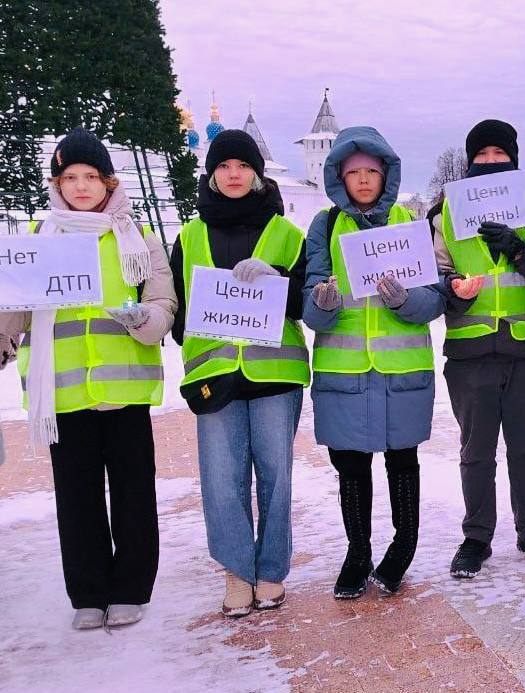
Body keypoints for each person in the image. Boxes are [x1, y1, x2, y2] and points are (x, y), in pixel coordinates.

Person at [0, 128, 174, 629]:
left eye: (90, 176)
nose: (80, 186)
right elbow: (15, 308)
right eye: (70, 177)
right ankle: (88, 595)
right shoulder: (39, 239)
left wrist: (145, 320)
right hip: (64, 389)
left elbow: (163, 304)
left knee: (133, 494)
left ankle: (131, 588)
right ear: (57, 183)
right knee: (76, 499)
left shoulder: (138, 238)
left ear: (108, 182)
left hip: (124, 386)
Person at [171, 129, 309, 617]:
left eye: (243, 166)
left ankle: (270, 570)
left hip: (274, 374)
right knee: (222, 479)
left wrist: (278, 282)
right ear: (211, 174)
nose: (234, 174)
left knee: (276, 476)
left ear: (257, 174)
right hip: (214, 375)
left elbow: (304, 303)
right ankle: (236, 571)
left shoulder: (287, 234)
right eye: (224, 166)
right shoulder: (189, 236)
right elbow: (178, 312)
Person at [304, 126, 445, 598]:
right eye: (353, 173)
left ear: (386, 174)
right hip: (344, 374)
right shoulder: (325, 226)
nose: (363, 180)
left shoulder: (408, 222)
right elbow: (310, 307)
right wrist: (322, 302)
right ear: (338, 178)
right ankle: (358, 552)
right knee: (350, 466)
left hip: (401, 372)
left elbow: (433, 301)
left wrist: (405, 299)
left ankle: (403, 547)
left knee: (403, 461)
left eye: (371, 171)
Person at [432, 119, 525, 579]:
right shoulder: (445, 214)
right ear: (469, 162)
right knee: (476, 451)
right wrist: (455, 290)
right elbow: (436, 275)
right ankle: (476, 536)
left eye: (500, 154)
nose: (491, 162)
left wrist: (520, 249)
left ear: (514, 160)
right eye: (482, 155)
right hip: (471, 351)